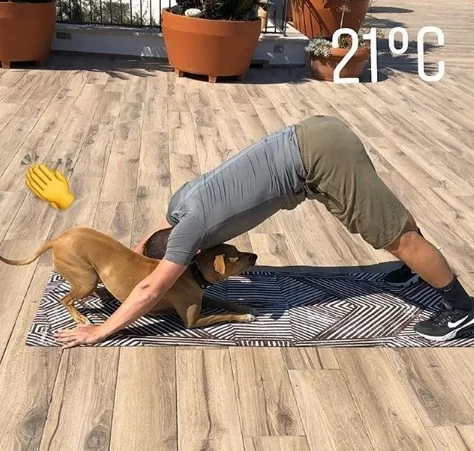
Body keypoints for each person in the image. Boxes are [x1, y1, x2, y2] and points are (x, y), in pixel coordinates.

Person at [54, 115, 474, 348]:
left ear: (189, 251)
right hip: (311, 134)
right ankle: (416, 270)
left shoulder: (190, 233)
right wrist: (125, 269)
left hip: (321, 159)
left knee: (396, 236)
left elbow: (151, 289)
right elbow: (144, 248)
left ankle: (462, 311)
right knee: (386, 215)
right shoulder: (180, 205)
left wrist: (102, 330)